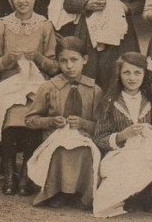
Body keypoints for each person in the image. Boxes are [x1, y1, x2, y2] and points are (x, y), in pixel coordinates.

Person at [0, 0, 58, 195]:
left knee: (32, 112)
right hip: (9, 83)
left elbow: (54, 67)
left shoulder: (45, 25)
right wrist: (8, 58)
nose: (22, 0)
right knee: (10, 110)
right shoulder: (3, 24)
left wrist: (37, 57)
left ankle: (26, 173)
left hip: (36, 83)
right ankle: (9, 174)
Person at [93, 52, 152, 217]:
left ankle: (149, 193)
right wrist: (122, 135)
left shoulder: (151, 99)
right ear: (119, 75)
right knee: (127, 162)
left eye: (137, 73)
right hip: (120, 152)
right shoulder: (110, 101)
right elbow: (99, 137)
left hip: (146, 148)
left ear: (145, 75)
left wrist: (151, 129)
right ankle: (130, 195)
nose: (132, 78)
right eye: (126, 73)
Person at [24, 37, 102, 209]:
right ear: (57, 62)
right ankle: (57, 191)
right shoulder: (49, 87)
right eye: (63, 61)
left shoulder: (94, 90)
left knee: (85, 151)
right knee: (60, 150)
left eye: (74, 60)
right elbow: (30, 120)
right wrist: (51, 120)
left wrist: (83, 123)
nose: (69, 66)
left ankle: (81, 193)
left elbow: (102, 126)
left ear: (85, 60)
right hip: (54, 138)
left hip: (84, 137)